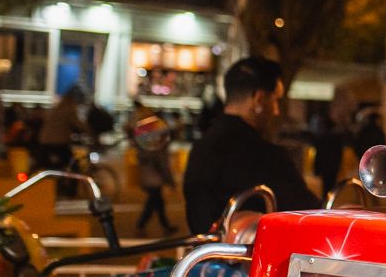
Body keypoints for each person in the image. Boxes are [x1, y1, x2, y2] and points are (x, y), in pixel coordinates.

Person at [182, 57, 320, 234]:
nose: (276, 111)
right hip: (249, 259)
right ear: (258, 99)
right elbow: (308, 213)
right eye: (275, 100)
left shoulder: (201, 147)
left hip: (205, 255)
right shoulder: (265, 156)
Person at [131, 102, 177, 233]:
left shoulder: (145, 136)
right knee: (153, 202)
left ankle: (165, 226)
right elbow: (160, 162)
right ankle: (142, 225)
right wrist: (169, 180)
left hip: (147, 174)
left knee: (158, 202)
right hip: (154, 176)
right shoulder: (157, 141)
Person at [35, 86, 88, 171]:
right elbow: (77, 123)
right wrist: (90, 130)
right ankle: (66, 179)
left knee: (61, 162)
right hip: (56, 141)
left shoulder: (61, 105)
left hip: (47, 139)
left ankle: (61, 178)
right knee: (70, 161)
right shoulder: (69, 107)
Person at [311, 111, 347, 201]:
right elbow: (339, 153)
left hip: (325, 166)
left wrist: (316, 167)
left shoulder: (321, 138)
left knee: (325, 186)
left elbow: (319, 154)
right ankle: (330, 201)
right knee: (332, 185)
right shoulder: (336, 138)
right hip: (333, 166)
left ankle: (326, 201)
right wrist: (339, 165)